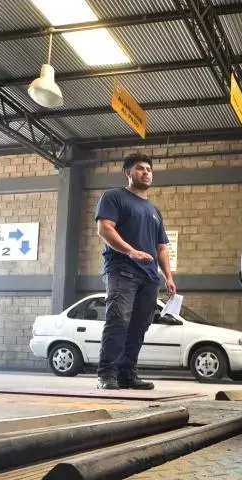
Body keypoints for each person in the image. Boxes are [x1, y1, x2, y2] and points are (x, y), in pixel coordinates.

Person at [94, 153, 177, 390]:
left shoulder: (154, 210)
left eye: (149, 169)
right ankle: (106, 374)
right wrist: (130, 251)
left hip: (149, 277)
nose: (146, 172)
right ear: (128, 173)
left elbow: (161, 247)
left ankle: (127, 374)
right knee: (118, 319)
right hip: (122, 270)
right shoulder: (114, 197)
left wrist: (168, 277)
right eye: (140, 168)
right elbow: (105, 229)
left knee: (139, 325)